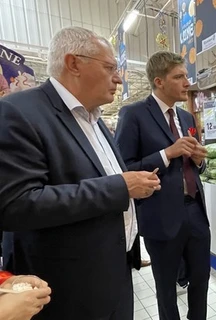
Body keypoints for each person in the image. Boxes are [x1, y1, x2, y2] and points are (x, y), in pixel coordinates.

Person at [0, 26, 161, 320]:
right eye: (110, 67)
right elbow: (17, 204)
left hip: (116, 275)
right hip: (69, 289)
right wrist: (119, 188)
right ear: (74, 63)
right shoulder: (18, 111)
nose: (118, 77)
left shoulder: (95, 120)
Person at [115, 51, 209, 320]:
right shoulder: (134, 114)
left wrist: (199, 161)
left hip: (196, 211)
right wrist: (167, 154)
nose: (187, 83)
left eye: (186, 76)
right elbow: (123, 169)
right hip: (160, 215)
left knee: (201, 279)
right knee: (166, 286)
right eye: (179, 77)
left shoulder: (187, 119)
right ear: (159, 81)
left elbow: (193, 165)